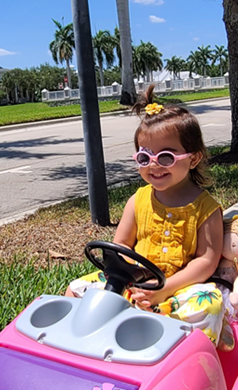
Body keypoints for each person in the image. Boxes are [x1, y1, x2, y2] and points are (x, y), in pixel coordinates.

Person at [66, 84, 227, 347]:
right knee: (76, 290)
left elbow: (206, 262)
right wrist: (124, 277)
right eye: (144, 157)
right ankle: (86, 349)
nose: (154, 165)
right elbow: (120, 247)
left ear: (194, 158)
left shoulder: (205, 208)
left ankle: (193, 362)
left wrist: (165, 288)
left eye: (166, 157)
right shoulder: (137, 200)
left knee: (208, 306)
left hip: (180, 286)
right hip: (135, 280)